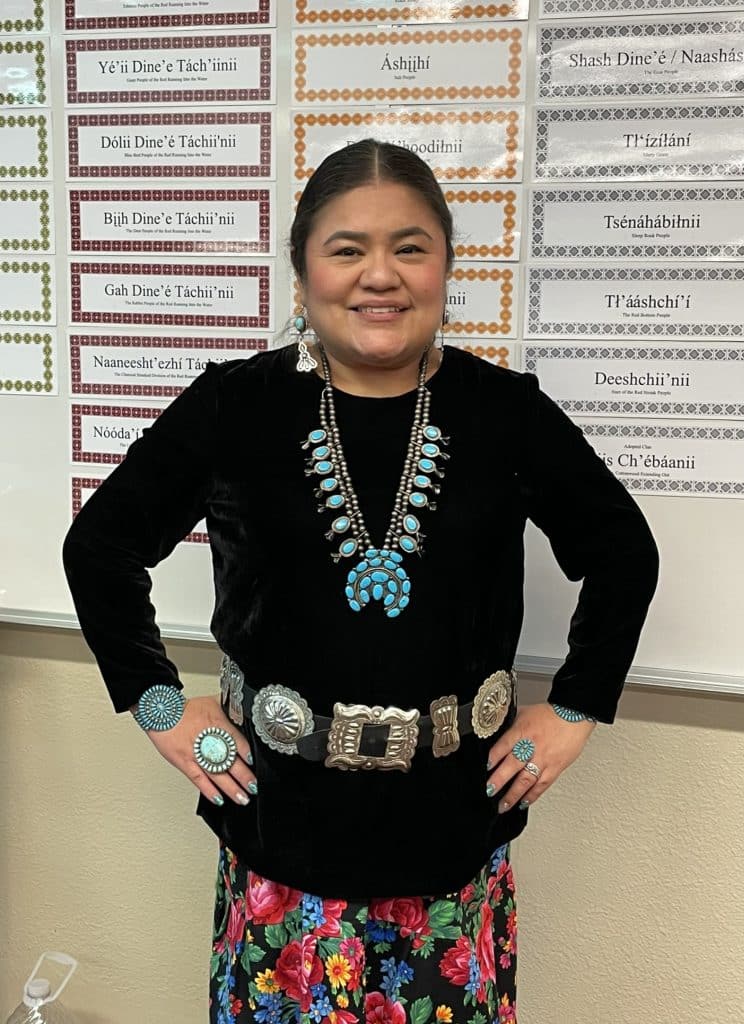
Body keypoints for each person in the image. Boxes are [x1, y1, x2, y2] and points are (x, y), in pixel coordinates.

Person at [63, 139, 659, 1023]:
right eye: (348, 249)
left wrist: (574, 707)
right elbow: (100, 547)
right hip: (282, 847)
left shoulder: (506, 415)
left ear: (445, 266)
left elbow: (623, 553)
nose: (380, 275)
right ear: (303, 269)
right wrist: (158, 704)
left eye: (410, 247)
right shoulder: (236, 406)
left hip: (451, 845)